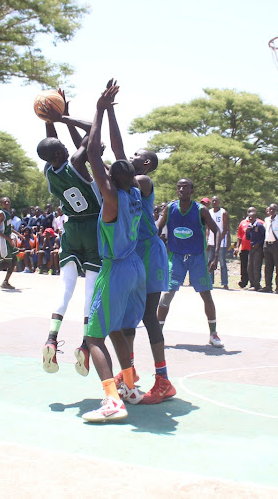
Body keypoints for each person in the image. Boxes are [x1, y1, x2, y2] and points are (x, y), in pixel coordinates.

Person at [80, 83, 146, 422]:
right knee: (119, 329)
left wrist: (97, 109)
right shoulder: (134, 191)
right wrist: (110, 109)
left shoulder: (111, 198)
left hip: (116, 269)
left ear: (110, 179)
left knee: (93, 337)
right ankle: (131, 387)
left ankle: (111, 400)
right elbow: (117, 153)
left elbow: (94, 153)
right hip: (134, 267)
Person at [105, 98, 175, 404]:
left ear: (145, 163)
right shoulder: (125, 183)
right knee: (128, 317)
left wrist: (109, 111)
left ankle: (163, 380)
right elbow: (107, 158)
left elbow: (117, 154)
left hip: (151, 253)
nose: (129, 157)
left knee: (147, 315)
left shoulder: (143, 181)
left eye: (136, 156)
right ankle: (128, 373)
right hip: (135, 255)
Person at [36, 90, 103, 377]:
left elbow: (51, 145)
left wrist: (49, 120)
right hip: (92, 226)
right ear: (62, 152)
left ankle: (51, 338)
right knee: (90, 290)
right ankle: (85, 345)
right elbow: (92, 130)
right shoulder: (76, 162)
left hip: (71, 229)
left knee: (65, 289)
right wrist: (62, 116)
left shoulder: (49, 171)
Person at [157, 178, 223, 347]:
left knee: (206, 295)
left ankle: (213, 334)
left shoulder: (201, 210)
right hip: (176, 257)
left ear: (192, 191)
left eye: (185, 187)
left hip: (197, 257)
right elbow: (157, 229)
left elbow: (217, 231)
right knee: (167, 295)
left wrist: (215, 257)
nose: (181, 189)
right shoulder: (170, 209)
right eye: (179, 187)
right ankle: (157, 334)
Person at [261, 203, 278, 294]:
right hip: (267, 244)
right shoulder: (267, 220)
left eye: (273, 209)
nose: (271, 211)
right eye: (270, 209)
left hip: (276, 245)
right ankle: (268, 286)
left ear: (277, 210)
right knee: (268, 267)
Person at [206, 196, 230, 290]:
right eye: (213, 201)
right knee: (210, 261)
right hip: (211, 241)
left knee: (222, 262)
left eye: (216, 201)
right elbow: (207, 227)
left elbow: (225, 228)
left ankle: (225, 283)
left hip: (221, 242)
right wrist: (207, 239)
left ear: (219, 202)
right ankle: (210, 282)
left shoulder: (223, 212)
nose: (214, 202)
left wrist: (220, 239)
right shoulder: (209, 212)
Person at [244, 207, 265, 291]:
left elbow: (264, 237)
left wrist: (259, 244)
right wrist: (247, 232)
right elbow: (248, 238)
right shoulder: (250, 226)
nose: (250, 218)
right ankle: (251, 283)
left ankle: (257, 284)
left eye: (252, 217)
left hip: (258, 248)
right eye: (249, 217)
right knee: (250, 266)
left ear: (256, 217)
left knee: (256, 266)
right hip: (251, 248)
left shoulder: (259, 226)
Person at [233, 208, 255, 288]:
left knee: (253, 266)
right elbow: (239, 236)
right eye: (249, 212)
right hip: (244, 248)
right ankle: (244, 282)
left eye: (252, 212)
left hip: (254, 248)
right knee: (244, 266)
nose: (250, 213)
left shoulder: (259, 222)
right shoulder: (243, 223)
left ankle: (253, 283)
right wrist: (237, 247)